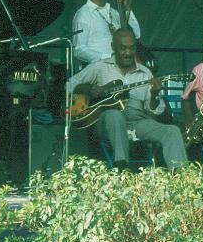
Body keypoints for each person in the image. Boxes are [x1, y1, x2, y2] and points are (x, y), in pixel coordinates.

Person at [69, 28, 187, 170]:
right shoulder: (100, 67)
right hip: (107, 123)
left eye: (132, 48)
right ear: (113, 47)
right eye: (123, 48)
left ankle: (181, 174)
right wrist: (87, 89)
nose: (128, 53)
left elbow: (153, 113)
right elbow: (69, 84)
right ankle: (122, 168)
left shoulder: (145, 73)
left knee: (172, 131)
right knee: (115, 115)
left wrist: (154, 95)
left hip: (138, 121)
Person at [72, 0, 141, 66]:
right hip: (100, 67)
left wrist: (126, 6)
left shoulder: (114, 12)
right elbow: (79, 50)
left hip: (121, 67)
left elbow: (136, 34)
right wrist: (108, 57)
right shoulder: (83, 15)